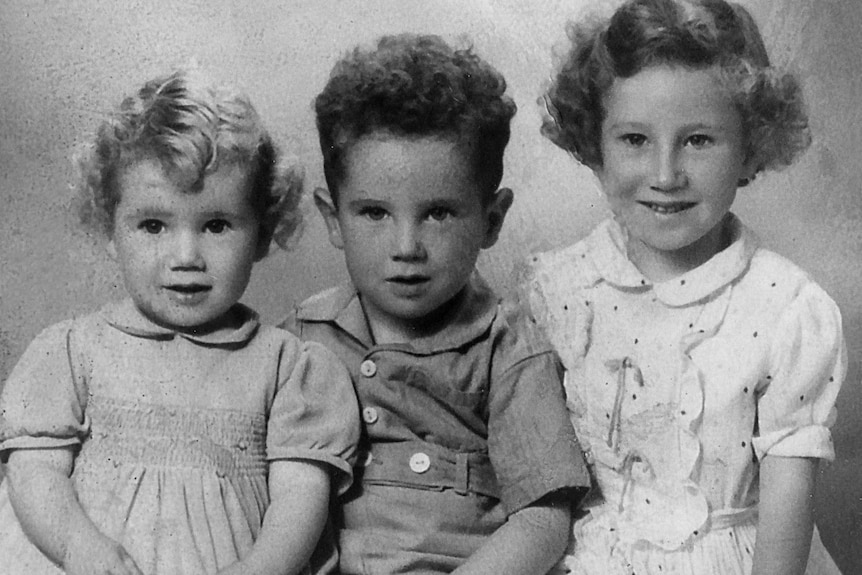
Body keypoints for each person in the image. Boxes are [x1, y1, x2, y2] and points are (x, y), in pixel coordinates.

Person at [523, 1, 847, 574]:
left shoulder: (785, 308)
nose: (666, 174)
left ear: (750, 147)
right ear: (595, 148)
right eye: (634, 140)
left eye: (698, 140)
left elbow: (788, 503)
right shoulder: (561, 289)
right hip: (599, 557)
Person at [0, 68, 360, 575]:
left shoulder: (287, 368)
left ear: (261, 233)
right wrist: (79, 547)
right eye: (153, 225)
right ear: (110, 228)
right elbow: (34, 472)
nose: (185, 255)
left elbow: (301, 498)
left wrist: (258, 569)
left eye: (217, 225)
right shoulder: (70, 352)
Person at [282, 34, 591, 574]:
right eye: (375, 213)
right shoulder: (299, 341)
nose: (407, 247)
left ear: (491, 221)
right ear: (334, 219)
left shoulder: (506, 346)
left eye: (439, 214)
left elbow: (543, 518)